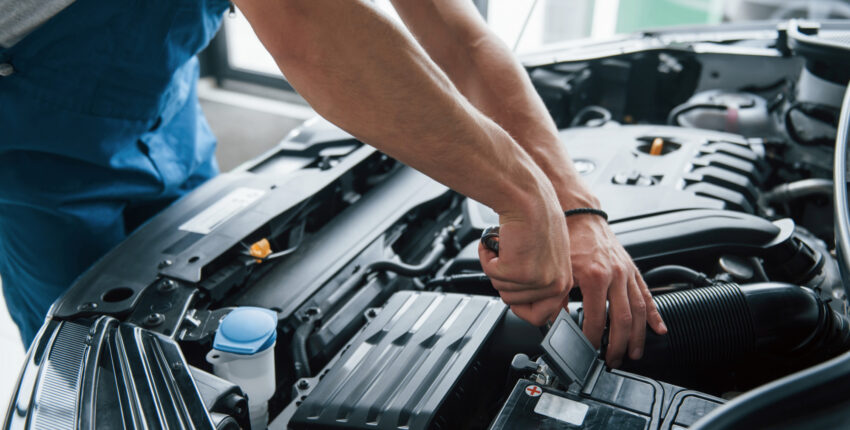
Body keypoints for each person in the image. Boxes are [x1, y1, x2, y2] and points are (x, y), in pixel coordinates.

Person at [0, 0, 665, 367]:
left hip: (155, 99)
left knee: (206, 293)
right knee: (100, 357)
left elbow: (457, 38)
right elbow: (309, 25)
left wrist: (575, 205)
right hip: (29, 131)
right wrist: (523, 196)